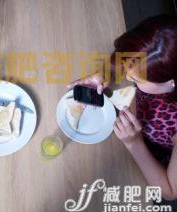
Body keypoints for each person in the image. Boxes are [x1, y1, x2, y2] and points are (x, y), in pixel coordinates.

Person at [69, 14, 176, 202]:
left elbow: (169, 192)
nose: (127, 78)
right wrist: (104, 73)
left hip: (152, 162)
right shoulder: (160, 60)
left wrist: (133, 143)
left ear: (171, 81)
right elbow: (132, 62)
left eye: (136, 79)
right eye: (128, 71)